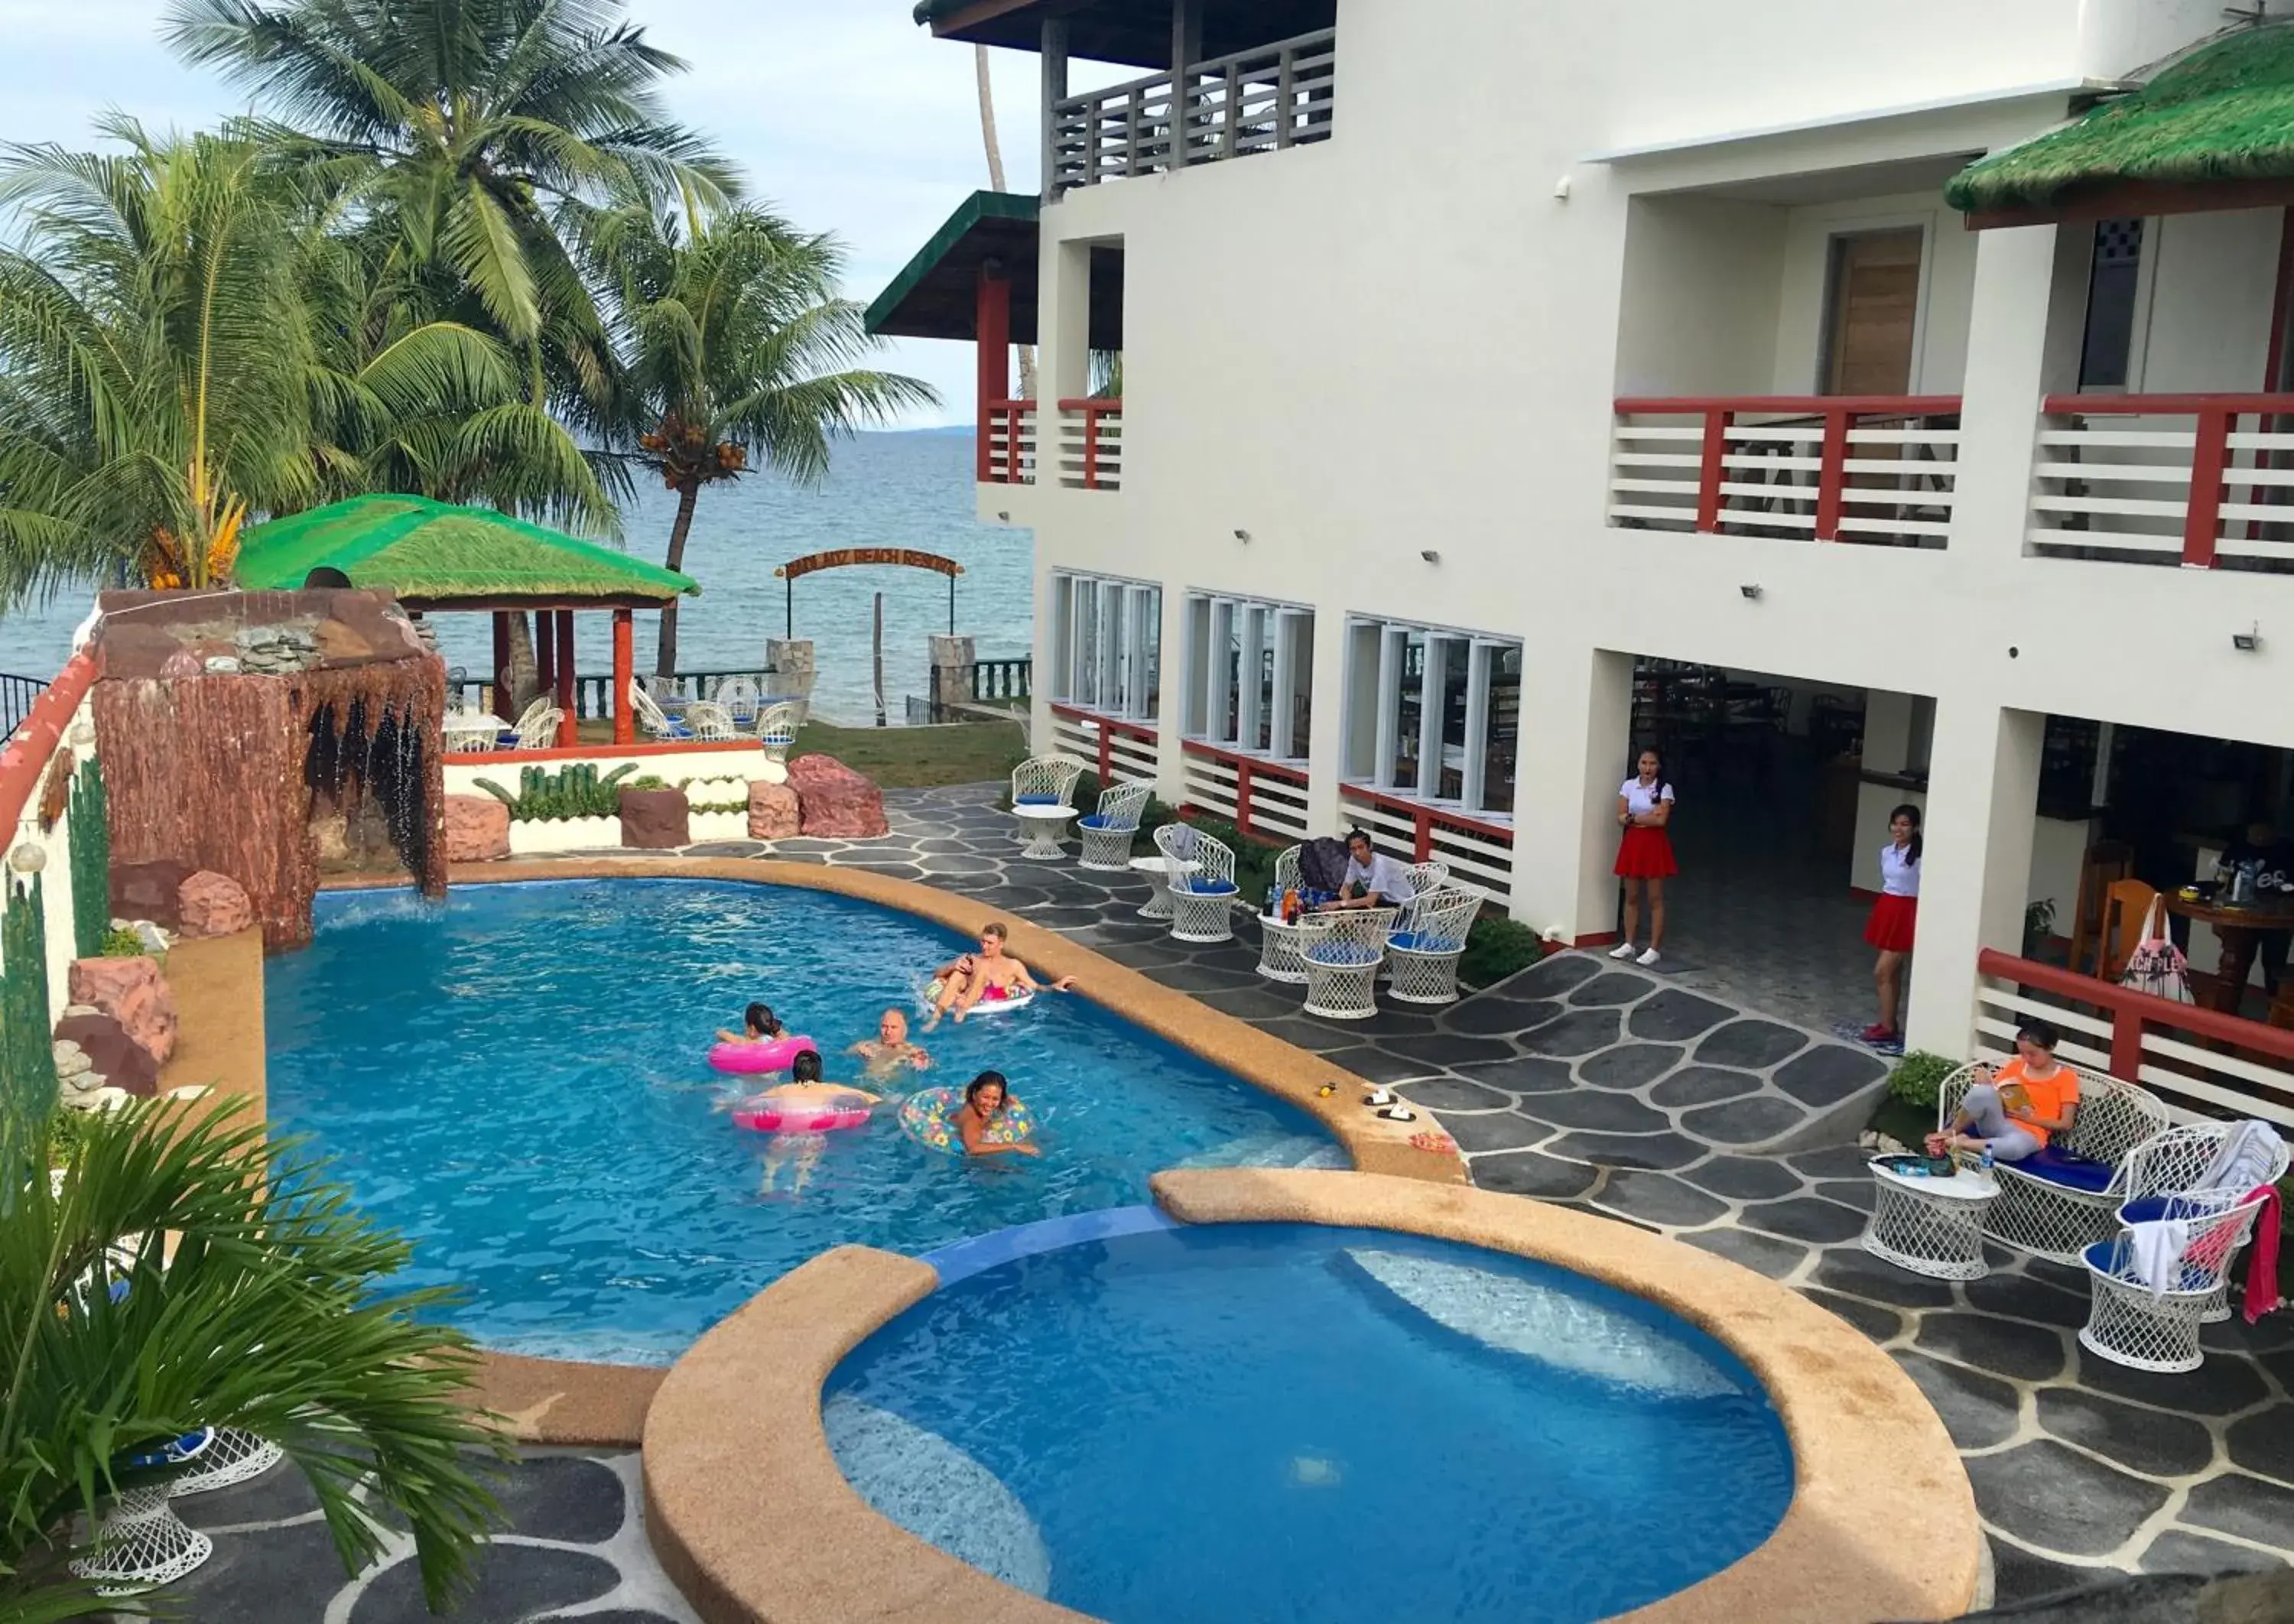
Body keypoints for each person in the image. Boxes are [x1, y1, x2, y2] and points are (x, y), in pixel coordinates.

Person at [1925, 1020, 2079, 1164]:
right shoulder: (2016, 1065)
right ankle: (1952, 1131)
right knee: (1983, 1093)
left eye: (2032, 1054)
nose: (2026, 1058)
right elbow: (1995, 1093)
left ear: (2050, 1048)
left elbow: (2066, 1124)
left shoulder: (2066, 1077)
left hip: (2029, 1135)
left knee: (2015, 1148)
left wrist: (2029, 1118)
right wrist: (1986, 1083)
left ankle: (1962, 1143)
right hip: (1997, 1124)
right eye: (2022, 1053)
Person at [750, 1050, 881, 1196]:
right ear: (818, 1071)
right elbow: (871, 1099)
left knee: (773, 1160)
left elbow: (753, 1103)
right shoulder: (829, 1089)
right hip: (813, 1135)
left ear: (795, 1070)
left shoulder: (782, 1090)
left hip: (785, 1134)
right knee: (804, 1165)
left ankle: (766, 1185)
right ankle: (797, 1191)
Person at [926, 922, 1076, 1028]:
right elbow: (938, 976)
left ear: (1001, 944)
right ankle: (935, 1019)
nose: (984, 947)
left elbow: (1035, 986)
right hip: (962, 999)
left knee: (982, 971)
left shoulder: (1013, 965)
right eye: (983, 942)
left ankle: (961, 1013)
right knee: (959, 973)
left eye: (990, 943)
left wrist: (1054, 986)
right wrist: (953, 966)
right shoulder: (972, 958)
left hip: (990, 1011)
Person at [1861, 804, 1922, 1052]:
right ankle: (1889, 1022)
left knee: (1882, 972)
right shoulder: (1887, 852)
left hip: (1906, 911)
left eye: (1905, 824)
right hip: (1888, 906)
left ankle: (1887, 1027)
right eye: (1896, 823)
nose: (1899, 829)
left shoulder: (1920, 857)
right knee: (1893, 973)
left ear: (1915, 827)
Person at [1610, 749, 1675, 967]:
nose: (1647, 768)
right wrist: (1642, 818)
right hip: (1633, 842)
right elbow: (1620, 817)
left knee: (1655, 898)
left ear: (1659, 766)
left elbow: (1660, 820)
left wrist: (1634, 817)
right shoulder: (1629, 786)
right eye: (1644, 763)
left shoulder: (1664, 789)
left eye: (1652, 764)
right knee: (1632, 896)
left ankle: (1654, 948)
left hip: (1654, 844)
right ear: (1638, 764)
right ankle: (1629, 943)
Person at [2214, 820, 2294, 996]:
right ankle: (2229, 1007)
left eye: (2264, 832)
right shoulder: (2238, 848)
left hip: (2276, 918)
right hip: (2242, 914)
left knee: (2274, 964)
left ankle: (2273, 1010)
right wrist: (2220, 917)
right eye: (2255, 833)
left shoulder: (2287, 850)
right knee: (2236, 961)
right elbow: (2221, 882)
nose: (2259, 836)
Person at [1320, 828, 1418, 911]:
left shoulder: (1380, 865)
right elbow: (1347, 888)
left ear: (1369, 846)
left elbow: (1371, 900)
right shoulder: (1354, 860)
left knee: (1348, 907)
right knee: (1335, 901)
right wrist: (1346, 909)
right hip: (1379, 900)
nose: (1357, 853)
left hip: (1400, 905)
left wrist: (1342, 904)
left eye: (1361, 847)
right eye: (1353, 849)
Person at [954, 1070, 1039, 1158]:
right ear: (975, 1094)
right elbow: (973, 1149)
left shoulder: (981, 1105)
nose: (989, 1104)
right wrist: (1015, 1146)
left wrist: (1007, 1100)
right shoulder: (972, 1118)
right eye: (985, 1097)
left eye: (995, 1099)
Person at [850, 1008, 931, 1077]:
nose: (888, 1032)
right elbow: (845, 1053)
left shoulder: (911, 1051)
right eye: (884, 1027)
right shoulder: (870, 1045)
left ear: (904, 1030)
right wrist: (858, 1050)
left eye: (894, 1027)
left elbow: (924, 1065)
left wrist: (917, 1063)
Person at [715, 1002, 785, 1046]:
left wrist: (721, 1032)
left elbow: (736, 1040)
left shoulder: (756, 1043)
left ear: (752, 1028)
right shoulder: (776, 1039)